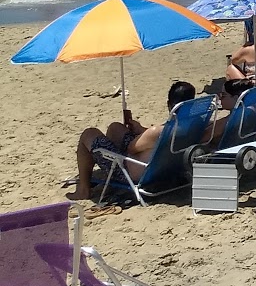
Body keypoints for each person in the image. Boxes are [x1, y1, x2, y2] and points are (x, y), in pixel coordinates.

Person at [70, 81, 198, 201]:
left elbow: (132, 149)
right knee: (115, 128)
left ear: (169, 104)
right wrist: (141, 130)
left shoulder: (156, 132)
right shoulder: (195, 125)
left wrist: (145, 134)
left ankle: (83, 190)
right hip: (166, 169)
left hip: (132, 172)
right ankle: (108, 172)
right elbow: (160, 137)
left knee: (89, 133)